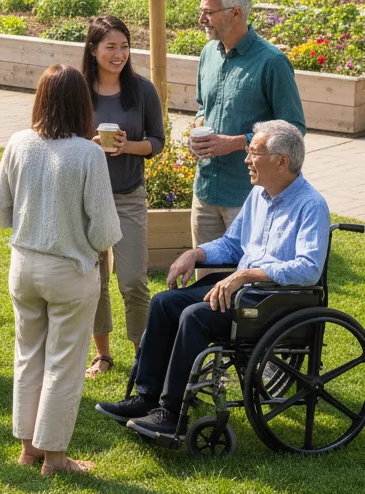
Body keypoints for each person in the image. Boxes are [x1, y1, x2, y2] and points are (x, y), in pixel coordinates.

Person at [97, 120, 330, 438]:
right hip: (243, 291)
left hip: (271, 301)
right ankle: (145, 398)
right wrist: (196, 254)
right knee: (164, 303)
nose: (247, 159)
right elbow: (233, 244)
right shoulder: (259, 196)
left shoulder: (311, 206)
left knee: (194, 316)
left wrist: (246, 275)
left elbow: (308, 269)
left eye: (253, 152)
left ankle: (170, 413)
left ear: (281, 161)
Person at [0, 64, 121, 475]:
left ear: (40, 99)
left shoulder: (17, 143)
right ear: (83, 104)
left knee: (28, 356)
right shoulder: (88, 153)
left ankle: (28, 449)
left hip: (24, 265)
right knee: (64, 363)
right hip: (71, 269)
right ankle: (55, 459)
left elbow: (0, 213)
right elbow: (104, 230)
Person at [188, 0, 305, 245]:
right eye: (201, 11)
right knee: (204, 282)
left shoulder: (272, 62)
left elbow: (294, 129)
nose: (201, 20)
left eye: (208, 12)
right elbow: (203, 107)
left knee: (245, 282)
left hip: (247, 197)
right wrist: (197, 132)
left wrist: (236, 143)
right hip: (204, 192)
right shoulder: (208, 54)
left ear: (236, 13)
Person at [81, 17, 164, 379]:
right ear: (93, 49)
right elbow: (61, 138)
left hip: (129, 196)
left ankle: (143, 353)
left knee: (132, 280)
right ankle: (102, 354)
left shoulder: (142, 90)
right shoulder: (78, 90)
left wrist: (128, 146)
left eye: (124, 46)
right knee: (94, 280)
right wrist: (89, 145)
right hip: (87, 198)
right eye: (110, 47)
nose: (119, 54)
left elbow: (158, 142)